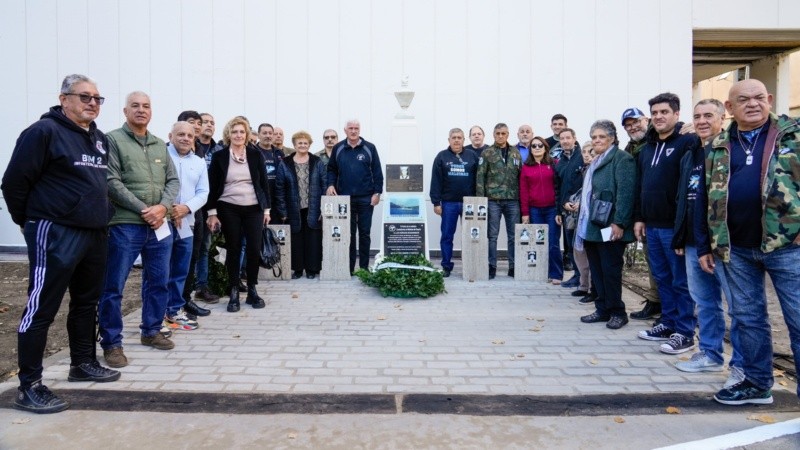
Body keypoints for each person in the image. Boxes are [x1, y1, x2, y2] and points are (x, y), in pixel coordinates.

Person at [2, 74, 120, 413]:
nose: (92, 103)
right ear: (64, 98)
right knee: (41, 308)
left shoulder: (98, 139)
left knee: (86, 303)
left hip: (94, 233)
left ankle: (81, 363)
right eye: (85, 97)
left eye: (98, 98)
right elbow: (13, 183)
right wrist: (31, 223)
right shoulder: (43, 133)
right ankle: (29, 386)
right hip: (55, 232)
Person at [696, 79, 800, 405]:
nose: (752, 104)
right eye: (743, 99)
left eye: (758, 98)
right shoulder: (718, 145)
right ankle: (756, 383)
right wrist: (705, 245)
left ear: (769, 99)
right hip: (735, 248)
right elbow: (704, 198)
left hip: (788, 246)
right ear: (730, 108)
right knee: (748, 319)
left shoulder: (793, 136)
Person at [99, 91, 180, 367]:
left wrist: (163, 208)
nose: (141, 110)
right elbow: (111, 181)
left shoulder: (160, 145)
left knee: (158, 281)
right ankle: (111, 343)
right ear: (125, 111)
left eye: (146, 106)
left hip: (159, 225)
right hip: (126, 225)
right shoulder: (112, 140)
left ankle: (152, 331)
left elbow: (173, 181)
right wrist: (143, 209)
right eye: (135, 106)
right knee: (114, 285)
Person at [671, 99, 741, 378]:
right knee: (704, 301)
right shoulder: (690, 154)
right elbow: (684, 200)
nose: (701, 121)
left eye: (708, 115)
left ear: (722, 118)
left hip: (721, 243)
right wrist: (680, 237)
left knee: (738, 307)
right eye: (697, 116)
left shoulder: (728, 150)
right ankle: (711, 354)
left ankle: (743, 365)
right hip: (692, 241)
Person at [634, 93, 699, 354]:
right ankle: (668, 322)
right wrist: (639, 218)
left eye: (665, 112)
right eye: (655, 113)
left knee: (680, 280)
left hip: (675, 225)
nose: (659, 116)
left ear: (676, 114)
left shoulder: (688, 142)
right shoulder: (647, 148)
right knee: (661, 277)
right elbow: (641, 186)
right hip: (652, 225)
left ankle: (684, 331)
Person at [206, 117, 271, 312]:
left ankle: (251, 289)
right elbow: (212, 186)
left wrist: (266, 209)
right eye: (234, 132)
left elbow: (263, 184)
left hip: (254, 208)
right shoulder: (220, 157)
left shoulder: (255, 155)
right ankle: (233, 290)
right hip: (229, 206)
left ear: (247, 135)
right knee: (233, 249)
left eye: (242, 132)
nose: (238, 135)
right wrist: (212, 212)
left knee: (253, 248)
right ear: (228, 134)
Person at [576, 120, 636, 330]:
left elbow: (626, 194)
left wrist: (619, 223)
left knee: (610, 270)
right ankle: (602, 309)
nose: (597, 140)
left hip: (610, 225)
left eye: (602, 137)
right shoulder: (596, 160)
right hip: (592, 226)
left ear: (612, 138)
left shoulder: (622, 159)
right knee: (597, 269)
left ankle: (618, 312)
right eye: (594, 137)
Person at [164, 122, 209, 331]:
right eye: (180, 134)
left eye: (190, 136)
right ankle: (156, 314)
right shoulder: (162, 156)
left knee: (181, 268)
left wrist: (186, 209)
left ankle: (174, 310)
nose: (185, 138)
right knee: (160, 270)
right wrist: (171, 209)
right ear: (171, 135)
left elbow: (203, 193)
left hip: (187, 222)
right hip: (162, 222)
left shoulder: (199, 162)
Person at [326, 119, 384, 274]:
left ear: (360, 130)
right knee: (348, 234)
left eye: (356, 128)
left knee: (364, 234)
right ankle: (349, 268)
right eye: (350, 128)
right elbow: (331, 169)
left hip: (366, 198)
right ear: (345, 130)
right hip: (344, 199)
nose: (353, 131)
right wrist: (330, 185)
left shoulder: (369, 148)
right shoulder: (338, 148)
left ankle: (364, 268)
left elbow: (378, 173)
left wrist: (377, 193)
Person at [621, 107, 662, 321]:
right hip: (644, 211)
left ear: (646, 119)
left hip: (663, 213)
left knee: (664, 264)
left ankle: (668, 307)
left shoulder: (660, 140)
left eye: (636, 121)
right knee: (653, 260)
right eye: (628, 125)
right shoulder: (632, 148)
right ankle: (656, 302)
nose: (633, 127)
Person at [275, 131, 326, 279]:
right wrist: (283, 211)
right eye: (300, 143)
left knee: (313, 238)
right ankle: (297, 269)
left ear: (309, 145)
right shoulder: (285, 163)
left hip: (314, 206)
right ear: (295, 145)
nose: (303, 145)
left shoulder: (317, 162)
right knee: (296, 239)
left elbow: (324, 184)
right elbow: (279, 188)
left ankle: (312, 269)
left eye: (305, 143)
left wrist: (324, 208)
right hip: (293, 208)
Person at [430, 128, 479, 277]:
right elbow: (436, 181)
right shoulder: (441, 157)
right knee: (447, 236)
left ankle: (472, 265)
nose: (456, 140)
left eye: (459, 137)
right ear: (449, 140)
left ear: (464, 140)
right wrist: (436, 202)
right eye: (454, 137)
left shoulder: (472, 156)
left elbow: (479, 180)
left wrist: (479, 200)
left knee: (472, 236)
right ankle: (446, 266)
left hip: (469, 202)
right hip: (448, 203)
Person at [476, 123, 522, 279]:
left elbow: (520, 177)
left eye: (503, 133)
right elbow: (480, 177)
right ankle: (492, 266)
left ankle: (513, 266)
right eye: (498, 133)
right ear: (494, 135)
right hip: (493, 200)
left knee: (513, 235)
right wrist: (481, 200)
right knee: (492, 236)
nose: (500, 136)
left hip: (512, 200)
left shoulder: (515, 153)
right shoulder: (487, 153)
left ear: (508, 134)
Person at [187, 112, 221, 305]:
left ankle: (201, 286)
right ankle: (185, 290)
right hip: (184, 208)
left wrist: (213, 211)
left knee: (203, 248)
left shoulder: (218, 150)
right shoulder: (186, 148)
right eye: (203, 122)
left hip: (208, 208)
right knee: (186, 250)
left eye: (211, 122)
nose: (207, 125)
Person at [520, 136, 563, 284]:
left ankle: (556, 274)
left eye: (540, 145)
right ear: (530, 149)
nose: (537, 148)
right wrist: (525, 213)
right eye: (534, 146)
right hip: (535, 210)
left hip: (552, 210)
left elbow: (559, 188)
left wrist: (559, 210)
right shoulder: (526, 168)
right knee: (538, 242)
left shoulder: (555, 164)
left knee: (553, 242)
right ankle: (540, 271)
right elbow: (524, 191)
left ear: (545, 148)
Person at [555, 127, 582, 280]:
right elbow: (558, 188)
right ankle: (576, 276)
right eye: (562, 139)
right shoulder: (560, 162)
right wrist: (561, 207)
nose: (565, 141)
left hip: (582, 209)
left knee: (582, 246)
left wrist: (581, 203)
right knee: (570, 245)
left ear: (574, 138)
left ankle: (584, 278)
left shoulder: (582, 156)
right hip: (567, 211)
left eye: (567, 138)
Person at [573, 142, 596, 303]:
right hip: (580, 218)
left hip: (594, 219)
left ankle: (593, 289)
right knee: (579, 253)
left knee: (593, 256)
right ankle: (583, 285)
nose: (587, 155)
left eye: (590, 152)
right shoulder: (581, 170)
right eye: (584, 152)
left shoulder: (597, 170)